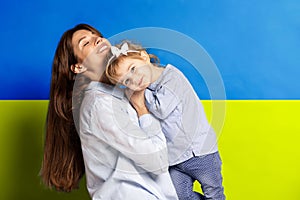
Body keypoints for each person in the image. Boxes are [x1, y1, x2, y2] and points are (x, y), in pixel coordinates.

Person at [40, 24, 178, 200]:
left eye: (96, 35)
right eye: (86, 43)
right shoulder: (100, 105)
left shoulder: (121, 93)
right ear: (78, 68)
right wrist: (142, 109)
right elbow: (156, 161)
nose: (97, 39)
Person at [106, 41, 226, 200]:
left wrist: (138, 97)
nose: (134, 80)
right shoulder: (146, 88)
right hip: (174, 159)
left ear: (144, 57)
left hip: (200, 152)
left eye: (133, 69)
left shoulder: (171, 77)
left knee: (214, 192)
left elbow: (161, 109)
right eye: (127, 81)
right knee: (178, 195)